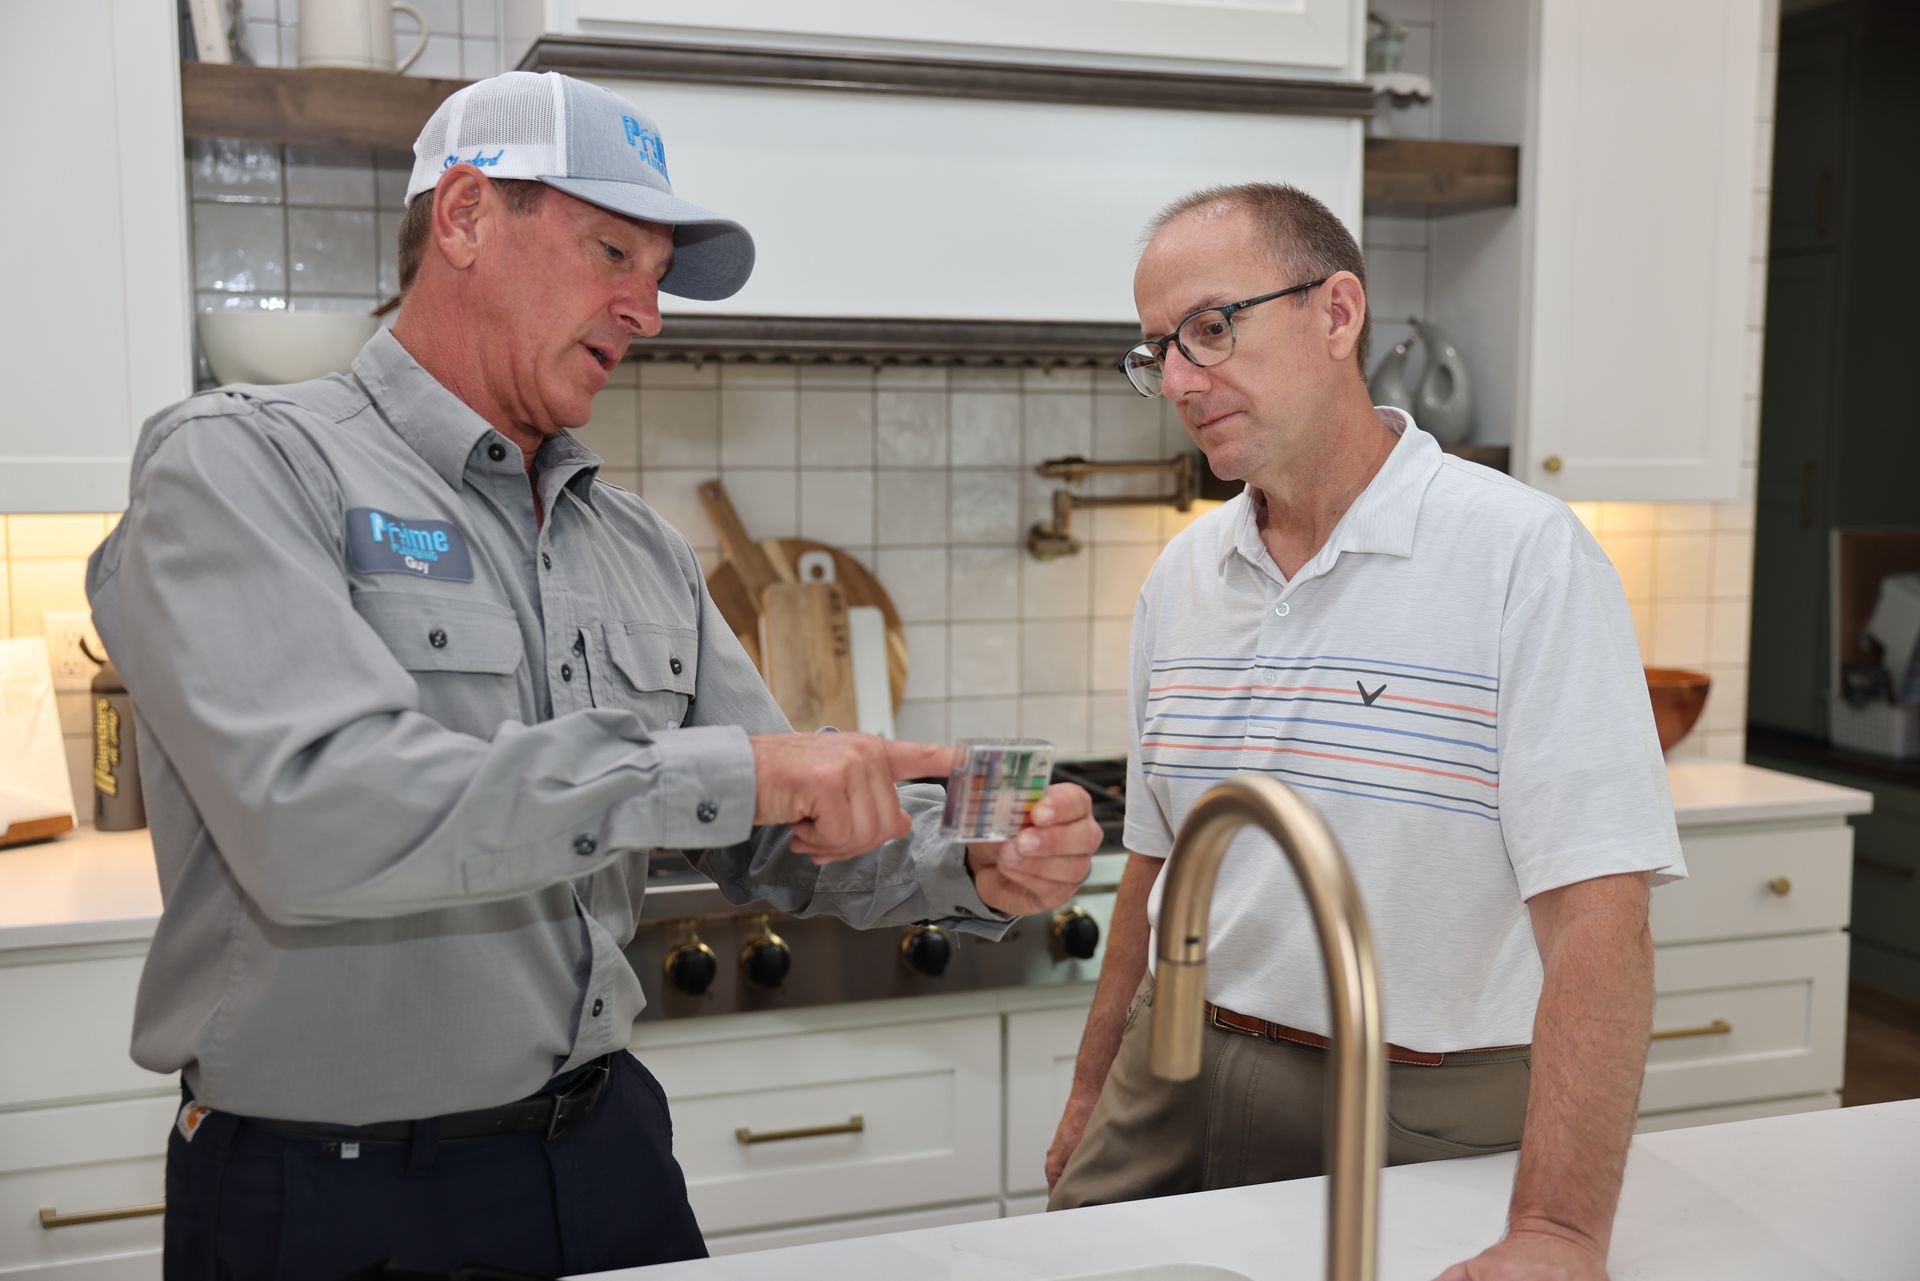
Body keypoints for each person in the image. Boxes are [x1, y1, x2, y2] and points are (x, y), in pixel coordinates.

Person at [85, 71, 1099, 1281]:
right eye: (611, 251)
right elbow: (321, 813)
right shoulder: (243, 467)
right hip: (329, 1194)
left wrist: (967, 863)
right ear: (462, 217)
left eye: (658, 272)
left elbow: (776, 840)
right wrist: (745, 770)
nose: (647, 309)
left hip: (606, 1160)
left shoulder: (638, 548)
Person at [1044, 183, 1685, 1281]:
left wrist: (1559, 1232)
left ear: (1337, 313)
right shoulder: (1181, 576)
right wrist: (1095, 1092)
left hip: (1420, 1097)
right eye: (1160, 349)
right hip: (1177, 1062)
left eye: (1211, 327)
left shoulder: (1521, 555)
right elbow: (1156, 868)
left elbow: (1598, 918)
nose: (1183, 381)